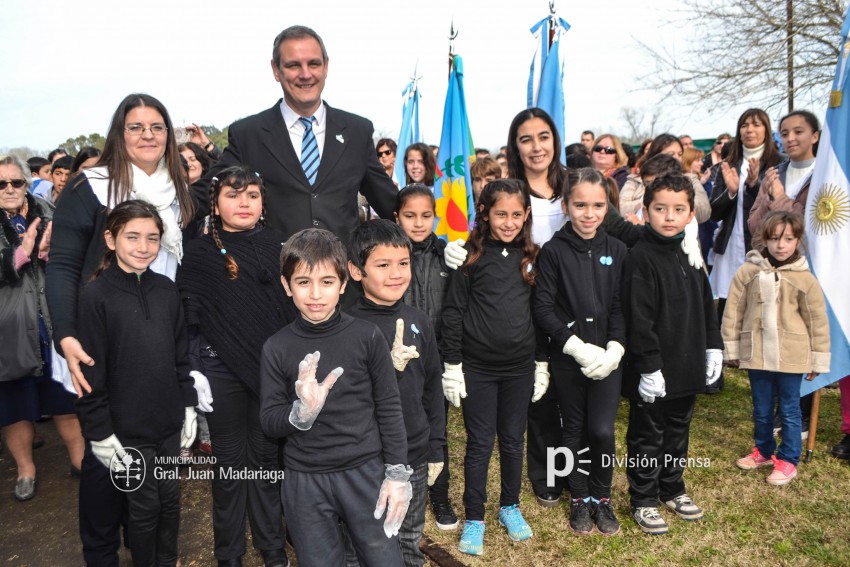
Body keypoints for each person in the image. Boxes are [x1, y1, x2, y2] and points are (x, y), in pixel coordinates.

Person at [45, 92, 199, 566]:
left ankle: (146, 552)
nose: (148, 135)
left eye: (157, 127)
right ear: (119, 132)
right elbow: (64, 265)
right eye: (136, 126)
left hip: (157, 331)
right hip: (100, 332)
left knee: (150, 487)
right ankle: (101, 552)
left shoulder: (179, 188)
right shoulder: (89, 185)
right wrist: (66, 334)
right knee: (105, 462)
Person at [259, 228, 411, 567]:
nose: (315, 294)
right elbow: (269, 420)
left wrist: (397, 473)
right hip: (304, 480)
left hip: (365, 472)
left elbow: (388, 405)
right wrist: (300, 413)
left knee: (384, 558)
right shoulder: (276, 347)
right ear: (286, 286)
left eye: (327, 282)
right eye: (303, 282)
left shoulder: (367, 336)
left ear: (344, 284)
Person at [176, 166, 293, 567]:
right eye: (232, 194)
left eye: (252, 195)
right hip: (218, 371)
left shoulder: (280, 245)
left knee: (265, 461)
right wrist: (193, 375)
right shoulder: (199, 251)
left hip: (270, 373)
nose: (243, 203)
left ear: (263, 202)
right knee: (228, 465)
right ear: (215, 201)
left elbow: (291, 313)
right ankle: (229, 554)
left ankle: (272, 547)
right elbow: (189, 319)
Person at [75, 200, 198, 567]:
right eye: (133, 237)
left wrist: (188, 403)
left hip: (166, 424)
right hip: (125, 431)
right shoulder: (95, 295)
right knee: (144, 510)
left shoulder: (166, 290)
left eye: (152, 238)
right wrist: (98, 431)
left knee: (170, 503)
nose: (143, 247)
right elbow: (89, 372)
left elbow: (180, 355)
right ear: (111, 240)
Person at [200, 25, 397, 242]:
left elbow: (391, 204)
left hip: (343, 272)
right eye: (293, 65)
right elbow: (206, 192)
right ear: (276, 70)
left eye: (313, 64)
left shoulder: (357, 131)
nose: (305, 75)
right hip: (275, 271)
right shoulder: (248, 135)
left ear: (326, 67)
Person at [441, 179, 542, 555]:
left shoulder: (532, 256)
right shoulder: (468, 256)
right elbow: (453, 312)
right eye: (501, 213)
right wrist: (452, 365)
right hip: (478, 369)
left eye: (517, 214)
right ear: (484, 214)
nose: (509, 222)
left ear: (526, 215)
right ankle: (474, 517)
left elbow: (540, 313)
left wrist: (541, 364)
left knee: (514, 441)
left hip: (519, 369)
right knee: (480, 443)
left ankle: (510, 506)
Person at [621, 173, 723, 535]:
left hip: (687, 364)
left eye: (678, 209)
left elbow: (705, 307)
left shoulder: (689, 252)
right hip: (654, 370)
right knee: (648, 435)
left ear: (690, 213)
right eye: (660, 209)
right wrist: (649, 365)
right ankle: (644, 497)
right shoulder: (640, 258)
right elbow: (639, 318)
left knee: (679, 430)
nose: (669, 217)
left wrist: (713, 346)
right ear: (645, 212)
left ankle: (672, 487)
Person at [346, 220, 446, 567]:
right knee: (360, 540)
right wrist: (382, 369)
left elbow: (433, 390)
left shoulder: (419, 320)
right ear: (356, 271)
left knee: (407, 537)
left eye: (403, 263)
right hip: (364, 458)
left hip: (413, 453)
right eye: (382, 265)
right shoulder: (346, 326)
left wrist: (436, 448)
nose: (396, 274)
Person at [533, 167, 626, 536]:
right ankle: (579, 497)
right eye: (580, 205)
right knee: (572, 428)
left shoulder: (617, 250)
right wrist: (575, 347)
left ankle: (602, 498)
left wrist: (615, 348)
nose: (589, 213)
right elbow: (543, 308)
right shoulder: (553, 252)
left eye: (598, 205)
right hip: (569, 360)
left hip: (608, 359)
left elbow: (620, 304)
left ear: (607, 207)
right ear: (567, 206)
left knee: (601, 430)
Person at [724, 211, 830, 486]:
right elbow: (734, 310)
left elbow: (817, 320)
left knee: (790, 409)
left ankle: (788, 459)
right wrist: (732, 347)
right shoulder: (748, 271)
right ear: (765, 240)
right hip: (757, 352)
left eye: (788, 239)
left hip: (791, 355)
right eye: (774, 239)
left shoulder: (804, 279)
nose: (781, 246)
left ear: (798, 241)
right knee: (761, 407)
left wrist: (818, 360)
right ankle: (763, 450)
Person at [0, 155, 83, 502]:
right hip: (9, 329)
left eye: (16, 182)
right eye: (1, 184)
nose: (9, 189)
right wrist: (20, 255)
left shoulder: (49, 212)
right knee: (15, 405)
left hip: (52, 322)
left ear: (26, 184)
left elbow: (74, 259)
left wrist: (52, 254)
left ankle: (82, 462)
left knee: (65, 398)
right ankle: (25, 470)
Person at [504, 108, 568, 508]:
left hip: (576, 307)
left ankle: (574, 470)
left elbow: (616, 229)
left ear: (554, 140)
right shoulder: (509, 193)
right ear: (515, 146)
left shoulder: (575, 185)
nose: (536, 146)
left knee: (574, 397)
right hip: (527, 306)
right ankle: (546, 476)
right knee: (541, 399)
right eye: (526, 139)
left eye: (543, 136)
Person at [393, 185, 458, 530]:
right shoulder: (389, 256)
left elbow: (455, 309)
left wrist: (452, 359)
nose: (418, 223)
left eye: (426, 215)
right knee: (396, 425)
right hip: (397, 359)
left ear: (436, 216)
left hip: (435, 360)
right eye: (409, 215)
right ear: (396, 217)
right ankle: (399, 488)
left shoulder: (447, 255)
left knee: (437, 427)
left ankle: (440, 494)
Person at [619, 134, 711, 222]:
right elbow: (622, 209)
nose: (677, 158)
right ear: (655, 155)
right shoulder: (635, 180)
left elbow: (704, 212)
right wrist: (651, 200)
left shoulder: (690, 179)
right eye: (671, 154)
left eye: (680, 154)